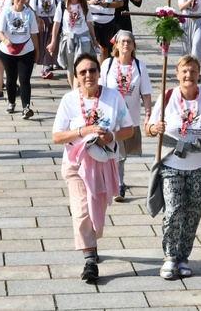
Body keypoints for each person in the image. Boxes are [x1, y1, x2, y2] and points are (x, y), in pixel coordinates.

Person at [145, 55, 201, 280]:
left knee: (193, 214)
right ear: (177, 74)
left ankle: (184, 257)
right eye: (184, 71)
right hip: (172, 163)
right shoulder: (167, 96)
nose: (189, 75)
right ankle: (169, 257)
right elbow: (148, 129)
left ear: (198, 74)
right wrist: (156, 127)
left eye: (193, 71)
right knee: (173, 210)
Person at [52, 53, 134, 282]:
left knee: (96, 212)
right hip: (76, 165)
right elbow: (57, 136)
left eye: (92, 70)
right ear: (76, 76)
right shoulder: (69, 100)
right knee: (81, 211)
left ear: (99, 72)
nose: (88, 75)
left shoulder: (113, 97)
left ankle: (91, 243)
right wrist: (82, 132)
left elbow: (129, 129)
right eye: (83, 72)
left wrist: (112, 136)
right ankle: (89, 260)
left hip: (103, 164)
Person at [99, 30, 153, 202]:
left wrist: (148, 114)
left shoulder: (139, 66)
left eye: (129, 42)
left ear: (133, 46)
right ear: (116, 45)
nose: (125, 44)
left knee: (121, 153)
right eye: (122, 41)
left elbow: (145, 92)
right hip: (110, 117)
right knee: (118, 153)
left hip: (131, 116)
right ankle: (119, 184)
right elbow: (99, 89)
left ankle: (114, 180)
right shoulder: (107, 64)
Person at [0, 0, 40, 118]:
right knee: (11, 78)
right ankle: (11, 102)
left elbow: (34, 34)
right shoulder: (7, 12)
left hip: (26, 49)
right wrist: (5, 39)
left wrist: (37, 51)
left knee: (24, 79)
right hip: (8, 51)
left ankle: (26, 107)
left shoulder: (29, 13)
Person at [47, 0, 100, 89]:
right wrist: (53, 41)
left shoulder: (84, 5)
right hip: (68, 38)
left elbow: (90, 23)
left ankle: (79, 89)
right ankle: (74, 91)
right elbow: (56, 24)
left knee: (80, 64)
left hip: (83, 37)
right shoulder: (62, 5)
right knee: (70, 66)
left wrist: (94, 39)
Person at [86, 0, 123, 64]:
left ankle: (103, 71)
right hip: (93, 20)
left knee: (104, 48)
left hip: (108, 21)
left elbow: (120, 3)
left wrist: (107, 4)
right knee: (93, 47)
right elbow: (81, 1)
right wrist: (89, 2)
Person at [29, 0, 62, 79]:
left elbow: (60, 6)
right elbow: (32, 9)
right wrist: (37, 19)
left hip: (53, 22)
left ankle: (46, 67)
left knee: (50, 44)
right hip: (41, 23)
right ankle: (44, 66)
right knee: (42, 45)